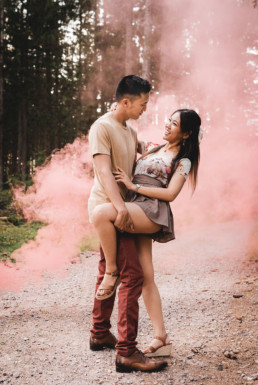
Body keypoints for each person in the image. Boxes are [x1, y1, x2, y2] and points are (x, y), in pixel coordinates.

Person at [91, 108, 201, 357]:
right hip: (135, 205)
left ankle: (111, 271)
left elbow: (171, 194)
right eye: (168, 120)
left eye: (174, 124)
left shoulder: (183, 160)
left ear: (186, 133)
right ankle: (161, 337)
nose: (168, 125)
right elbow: (127, 138)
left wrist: (133, 185)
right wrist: (115, 114)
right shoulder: (152, 147)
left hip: (151, 210)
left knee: (100, 214)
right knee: (146, 276)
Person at [88, 75, 168, 373]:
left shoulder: (127, 128)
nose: (144, 109)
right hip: (110, 210)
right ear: (125, 102)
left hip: (118, 208)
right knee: (131, 275)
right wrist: (121, 208)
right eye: (142, 104)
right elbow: (104, 172)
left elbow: (141, 147)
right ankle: (127, 352)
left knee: (107, 270)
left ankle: (99, 333)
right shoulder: (102, 127)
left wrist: (168, 145)